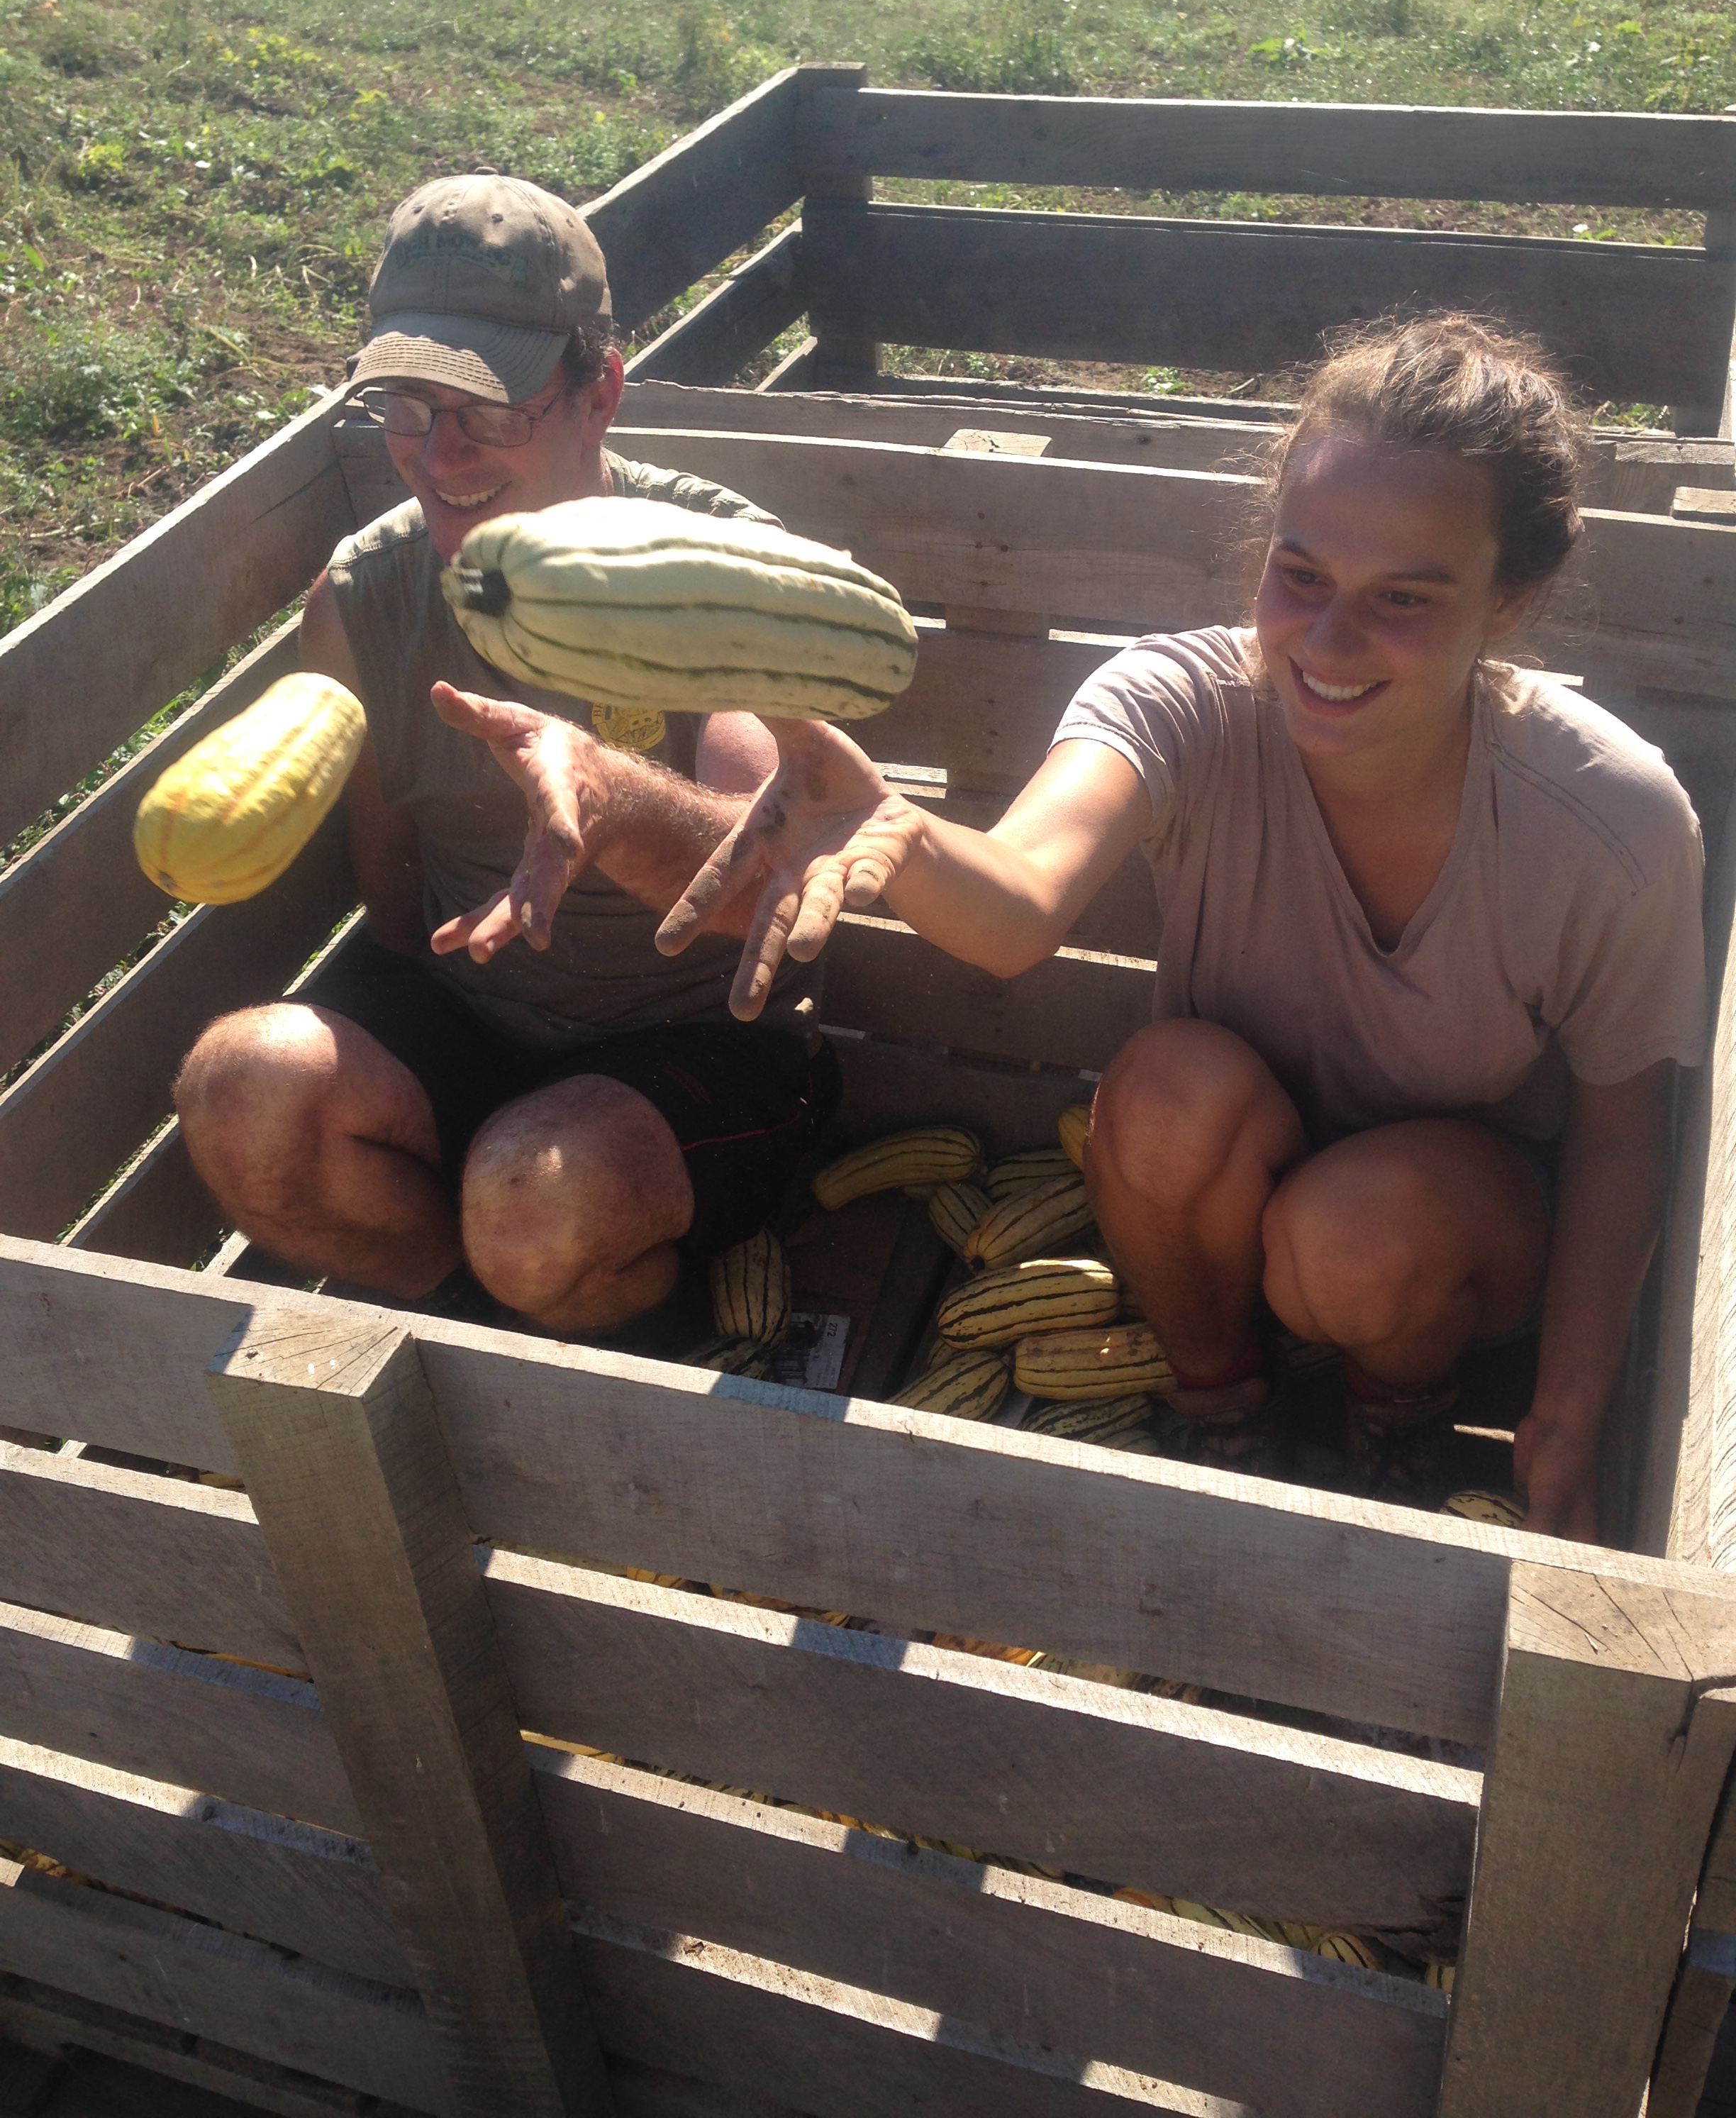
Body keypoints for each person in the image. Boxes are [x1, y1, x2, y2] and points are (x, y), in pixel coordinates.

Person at [481, 315, 1704, 1537]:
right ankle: (1222, 1403)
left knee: (1356, 1233)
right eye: (1302, 575)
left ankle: (1395, 1415)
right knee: (1161, 1089)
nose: (1327, 643)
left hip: (1444, 1238)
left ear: (1511, 598)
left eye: (1407, 598)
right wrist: (893, 829)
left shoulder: (1607, 824)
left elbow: (1622, 1137)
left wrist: (1569, 1415)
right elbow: (1020, 907)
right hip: (1227, 1196)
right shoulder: (1183, 699)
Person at [174, 173, 837, 1336]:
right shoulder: (368, 594)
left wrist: (602, 787)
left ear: (602, 392)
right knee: (242, 1094)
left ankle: (598, 1322)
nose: (437, 455)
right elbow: (387, 874)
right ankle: (480, 1325)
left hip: (698, 1046)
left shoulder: (729, 580)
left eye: (487, 413)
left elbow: (759, 896)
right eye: (403, 411)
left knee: (537, 1201)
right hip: (475, 1022)